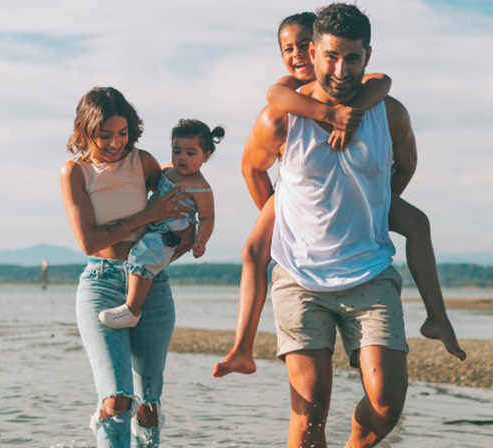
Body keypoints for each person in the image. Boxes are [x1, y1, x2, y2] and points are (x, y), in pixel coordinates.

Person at [224, 4, 461, 447]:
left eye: (352, 58)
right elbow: (251, 169)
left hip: (369, 272)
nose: (340, 68)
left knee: (388, 403)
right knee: (310, 410)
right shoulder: (279, 118)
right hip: (298, 278)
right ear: (312, 53)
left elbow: (405, 163)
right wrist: (281, 212)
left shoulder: (389, 115)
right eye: (330, 56)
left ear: (367, 57)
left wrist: (372, 202)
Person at [60, 86, 191, 447]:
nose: (116, 143)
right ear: (86, 130)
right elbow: (89, 241)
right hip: (100, 284)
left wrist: (188, 233)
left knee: (147, 404)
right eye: (106, 135)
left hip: (151, 285)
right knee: (117, 398)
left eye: (123, 133)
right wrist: (147, 215)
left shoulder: (143, 162)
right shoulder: (75, 171)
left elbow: (180, 200)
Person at [98, 119, 221, 329]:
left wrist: (200, 240)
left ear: (206, 156)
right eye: (177, 151)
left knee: (142, 257)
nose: (182, 157)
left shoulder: (202, 188)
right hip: (153, 222)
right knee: (135, 248)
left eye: (190, 153)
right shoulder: (167, 171)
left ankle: (132, 309)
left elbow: (207, 218)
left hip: (171, 232)